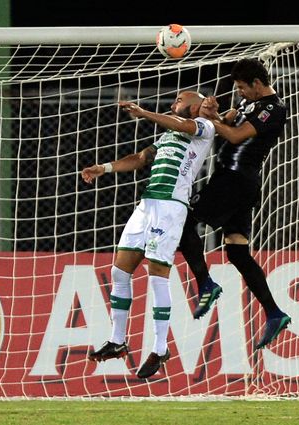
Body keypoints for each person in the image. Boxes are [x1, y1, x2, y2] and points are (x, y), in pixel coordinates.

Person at [81, 91, 216, 379]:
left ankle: (159, 347)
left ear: (193, 107)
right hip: (147, 204)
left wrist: (144, 113)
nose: (172, 104)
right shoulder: (167, 136)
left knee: (157, 274)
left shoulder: (204, 128)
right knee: (120, 271)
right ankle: (117, 341)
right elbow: (141, 158)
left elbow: (182, 125)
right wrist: (104, 168)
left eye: (178, 101)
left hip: (171, 206)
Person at [178, 58, 291, 350]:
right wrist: (216, 113)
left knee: (184, 221)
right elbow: (228, 121)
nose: (239, 92)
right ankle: (275, 313)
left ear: (257, 83)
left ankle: (205, 284)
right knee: (237, 252)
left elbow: (235, 134)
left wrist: (218, 121)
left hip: (234, 179)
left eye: (242, 87)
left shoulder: (273, 109)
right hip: (239, 183)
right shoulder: (247, 105)